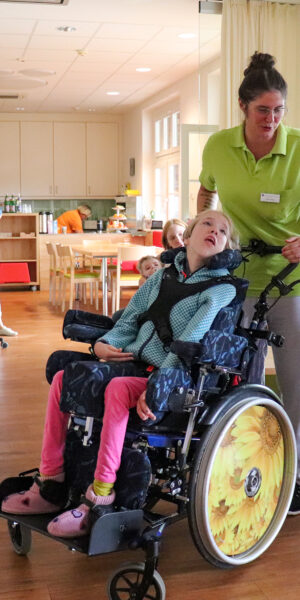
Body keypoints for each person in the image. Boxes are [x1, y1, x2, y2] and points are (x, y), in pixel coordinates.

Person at [2, 210, 239, 537]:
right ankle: (50, 483)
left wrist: (158, 384)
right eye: (208, 224)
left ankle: (100, 494)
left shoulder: (221, 289)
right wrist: (103, 345)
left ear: (227, 246)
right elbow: (127, 321)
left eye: (224, 230)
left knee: (117, 389)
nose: (215, 230)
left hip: (174, 376)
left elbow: (189, 342)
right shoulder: (161, 276)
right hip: (135, 362)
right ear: (188, 236)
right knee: (63, 378)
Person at [197, 52, 300, 514]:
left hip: (290, 282)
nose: (272, 120)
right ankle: (244, 468)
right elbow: (207, 189)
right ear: (243, 107)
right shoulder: (219, 147)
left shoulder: (297, 147)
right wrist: (202, 224)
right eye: (263, 110)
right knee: (243, 377)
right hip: (236, 279)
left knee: (296, 383)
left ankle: (295, 474)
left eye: (279, 110)